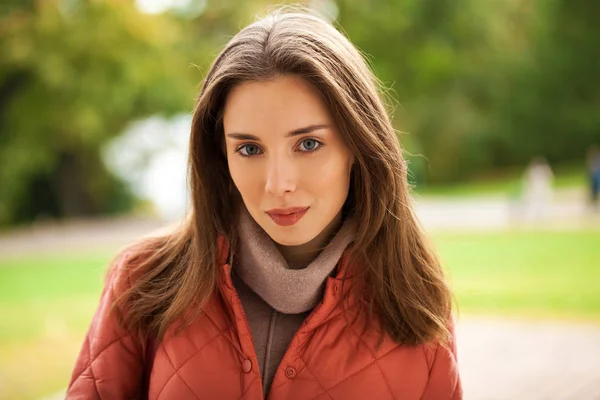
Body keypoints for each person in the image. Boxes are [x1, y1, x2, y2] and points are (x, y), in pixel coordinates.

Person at [67, 8, 461, 400]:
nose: (278, 184)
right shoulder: (142, 279)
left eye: (308, 144)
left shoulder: (415, 295)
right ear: (220, 154)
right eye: (250, 149)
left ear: (357, 144)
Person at [587, 145, 600, 211]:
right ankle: (593, 205)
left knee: (595, 191)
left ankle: (594, 204)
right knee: (594, 192)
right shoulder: (593, 159)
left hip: (596, 176)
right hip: (595, 176)